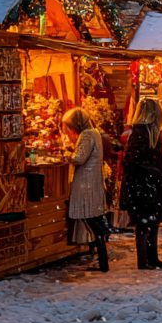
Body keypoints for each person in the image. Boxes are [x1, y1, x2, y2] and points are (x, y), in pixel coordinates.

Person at [120, 98, 162, 270]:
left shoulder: (148, 132)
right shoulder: (142, 133)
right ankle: (144, 259)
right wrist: (153, 172)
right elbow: (131, 161)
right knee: (144, 223)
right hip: (143, 185)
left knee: (151, 221)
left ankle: (151, 256)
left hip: (148, 184)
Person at [64, 107, 110, 272]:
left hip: (86, 183)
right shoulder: (95, 133)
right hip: (92, 182)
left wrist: (67, 154)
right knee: (95, 222)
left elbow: (79, 158)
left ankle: (103, 261)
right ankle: (102, 259)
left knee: (91, 220)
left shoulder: (87, 135)